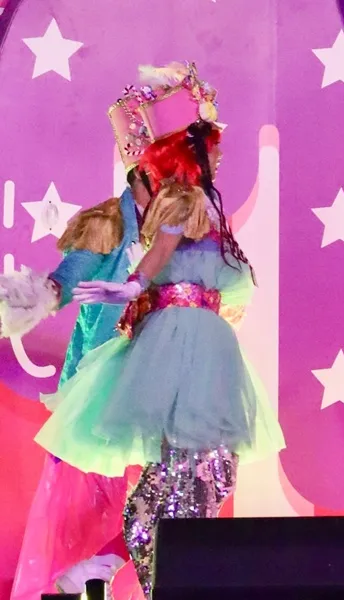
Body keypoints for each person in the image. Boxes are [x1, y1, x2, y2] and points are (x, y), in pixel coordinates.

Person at [32, 62, 285, 597]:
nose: (220, 157)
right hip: (183, 343)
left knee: (197, 473)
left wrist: (196, 100)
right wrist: (127, 287)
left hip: (200, 341)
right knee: (190, 473)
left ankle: (110, 565)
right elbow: (159, 250)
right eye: (212, 150)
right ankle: (148, 576)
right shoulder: (180, 200)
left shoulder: (200, 205)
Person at [1, 160, 154, 599]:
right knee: (88, 489)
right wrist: (35, 296)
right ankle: (82, 574)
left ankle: (118, 572)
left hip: (155, 371)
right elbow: (68, 279)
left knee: (158, 485)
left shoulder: (174, 227)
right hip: (104, 376)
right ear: (140, 176)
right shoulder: (107, 223)